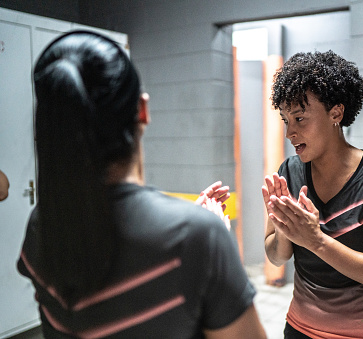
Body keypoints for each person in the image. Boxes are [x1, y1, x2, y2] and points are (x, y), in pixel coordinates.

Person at [17, 30, 266, 339]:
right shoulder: (199, 238)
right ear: (143, 110)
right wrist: (207, 233)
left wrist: (193, 225)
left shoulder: (40, 225)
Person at [262, 51, 363, 338]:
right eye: (285, 120)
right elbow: (276, 257)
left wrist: (316, 240)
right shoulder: (289, 173)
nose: (289, 132)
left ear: (336, 113)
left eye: (300, 117)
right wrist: (284, 230)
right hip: (301, 328)